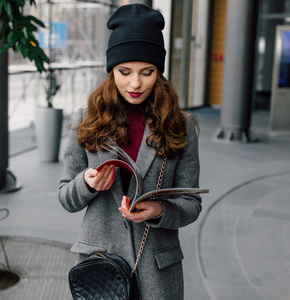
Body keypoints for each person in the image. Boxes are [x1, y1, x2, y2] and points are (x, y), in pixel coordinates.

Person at [58, 4, 202, 299]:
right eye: (125, 72)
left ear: (159, 72)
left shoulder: (180, 124)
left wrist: (161, 210)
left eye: (147, 72)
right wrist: (87, 183)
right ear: (111, 70)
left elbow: (191, 203)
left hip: (158, 268)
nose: (135, 83)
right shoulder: (88, 118)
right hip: (101, 268)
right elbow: (65, 197)